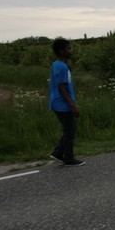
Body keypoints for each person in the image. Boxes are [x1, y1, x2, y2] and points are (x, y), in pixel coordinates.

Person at [48, 38, 85, 166]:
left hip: (56, 102)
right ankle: (68, 158)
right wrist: (72, 105)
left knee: (69, 129)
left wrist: (68, 67)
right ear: (61, 51)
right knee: (70, 130)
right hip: (62, 103)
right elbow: (61, 87)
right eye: (68, 49)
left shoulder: (57, 64)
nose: (71, 51)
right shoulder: (62, 67)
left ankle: (58, 153)